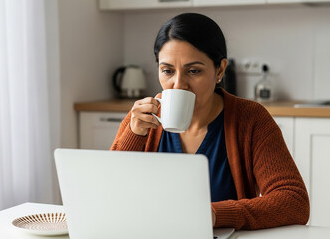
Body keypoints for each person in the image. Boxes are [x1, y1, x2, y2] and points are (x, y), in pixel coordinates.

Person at [110, 13, 309, 230]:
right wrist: (134, 134)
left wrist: (213, 215)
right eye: (167, 71)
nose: (178, 85)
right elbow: (109, 194)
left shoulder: (251, 119)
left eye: (194, 71)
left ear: (220, 70)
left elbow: (294, 202)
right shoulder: (142, 120)